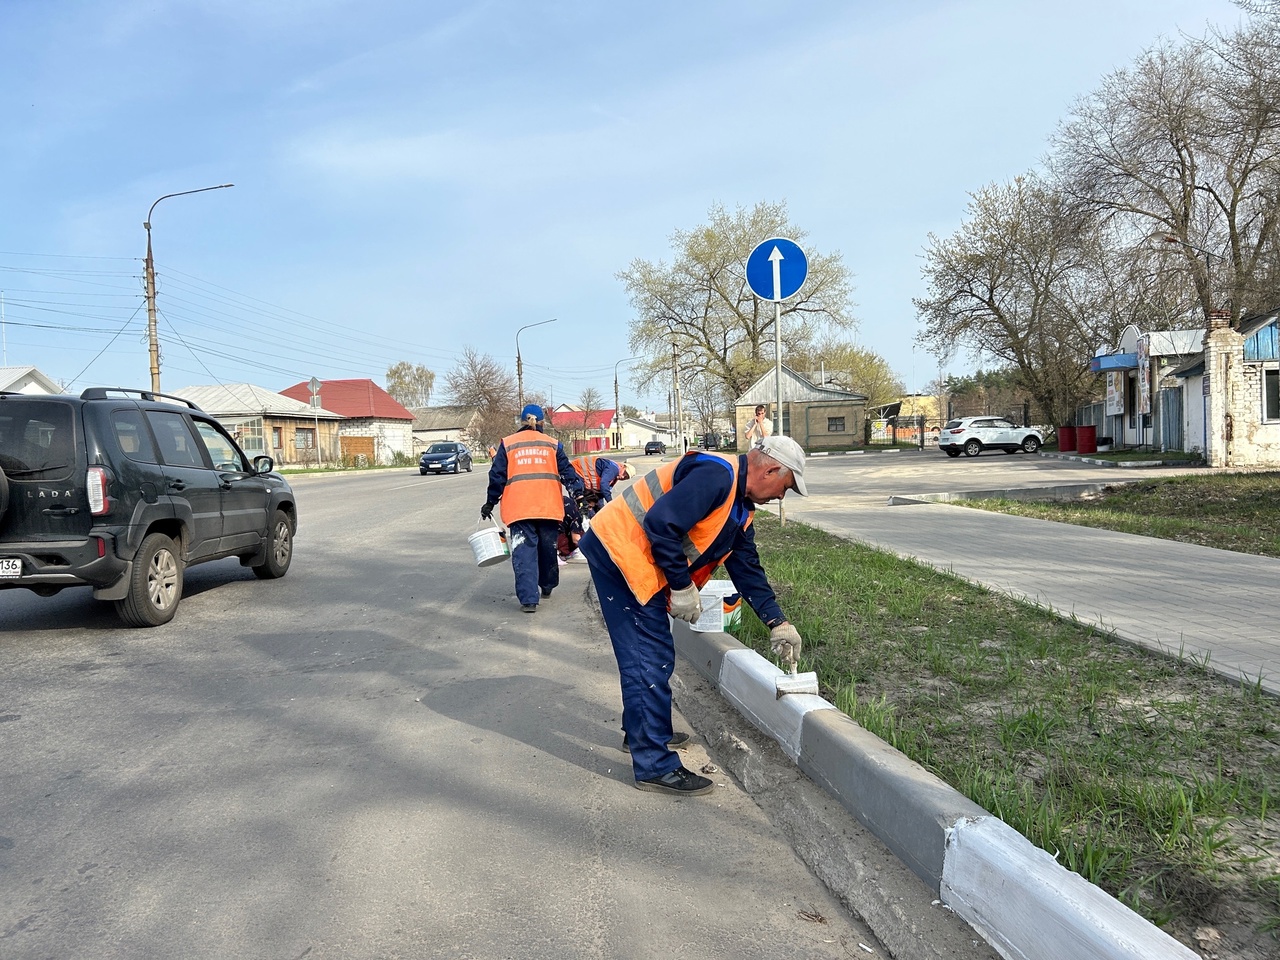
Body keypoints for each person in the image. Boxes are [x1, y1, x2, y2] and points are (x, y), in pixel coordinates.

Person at [579, 435, 808, 796]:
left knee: (653, 656)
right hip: (619, 556)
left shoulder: (740, 508)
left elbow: (747, 568)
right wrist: (683, 586)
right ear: (771, 469)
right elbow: (661, 523)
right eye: (786, 486)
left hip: (637, 561)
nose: (782, 496)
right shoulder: (717, 476)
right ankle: (654, 764)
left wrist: (778, 622)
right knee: (647, 659)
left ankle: (643, 729)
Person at [481, 404, 583, 613]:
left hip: (519, 509)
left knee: (524, 552)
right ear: (542, 422)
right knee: (547, 549)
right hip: (548, 507)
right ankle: (547, 586)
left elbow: (497, 476)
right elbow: (568, 474)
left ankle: (528, 600)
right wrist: (578, 495)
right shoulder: (553, 444)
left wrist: (490, 501)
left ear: (520, 422)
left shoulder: (508, 444)